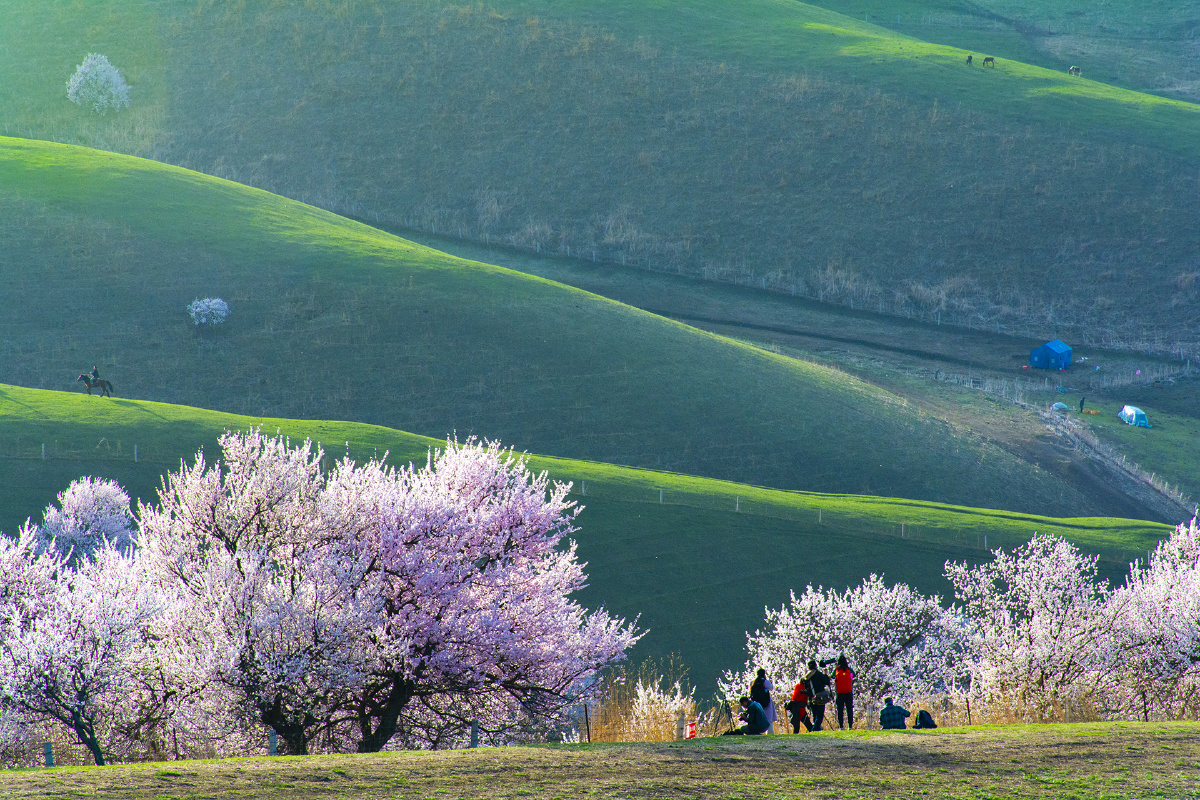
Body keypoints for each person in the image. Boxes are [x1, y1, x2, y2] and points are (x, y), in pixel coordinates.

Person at [803, 660, 831, 731]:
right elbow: (827, 682)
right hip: (819, 698)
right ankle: (815, 729)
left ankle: (817, 728)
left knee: (814, 715)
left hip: (811, 698)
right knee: (819, 716)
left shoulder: (806, 677)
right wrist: (825, 674)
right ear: (815, 666)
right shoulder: (818, 674)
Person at [750, 668, 777, 733]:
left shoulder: (753, 682)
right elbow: (771, 688)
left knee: (758, 718)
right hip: (766, 702)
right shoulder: (766, 681)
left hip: (757, 703)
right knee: (768, 719)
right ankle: (770, 733)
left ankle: (757, 732)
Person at [833, 655, 854, 730]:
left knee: (840, 710)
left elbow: (833, 677)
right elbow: (852, 678)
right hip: (848, 692)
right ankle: (850, 726)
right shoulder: (849, 670)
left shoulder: (836, 670)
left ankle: (841, 726)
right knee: (849, 709)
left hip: (839, 693)